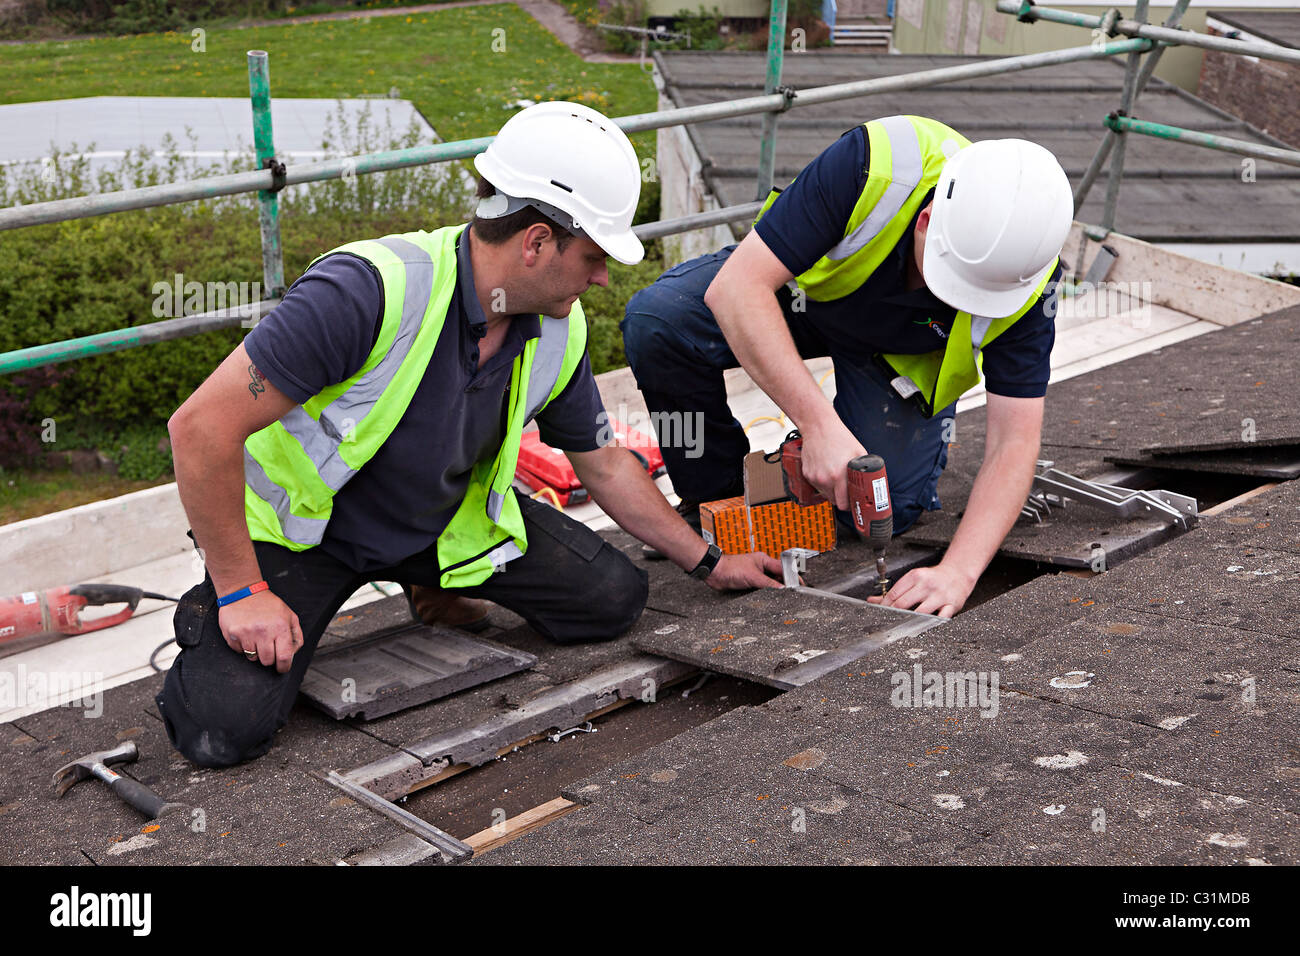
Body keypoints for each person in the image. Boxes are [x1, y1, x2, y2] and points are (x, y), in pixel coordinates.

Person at [158, 102, 782, 768]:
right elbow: (200, 429)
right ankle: (220, 610)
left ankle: (429, 583)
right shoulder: (365, 292)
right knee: (220, 729)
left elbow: (601, 462)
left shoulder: (555, 330)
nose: (602, 277)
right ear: (536, 242)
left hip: (438, 525)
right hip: (308, 539)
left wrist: (710, 562)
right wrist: (241, 591)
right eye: (594, 256)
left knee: (611, 598)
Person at [621, 114, 1073, 619]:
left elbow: (1015, 441)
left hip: (900, 356)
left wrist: (958, 571)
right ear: (925, 220)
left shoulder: (1025, 276)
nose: (959, 298)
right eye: (954, 279)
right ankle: (718, 503)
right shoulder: (879, 163)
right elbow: (737, 289)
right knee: (659, 322)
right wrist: (819, 427)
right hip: (801, 297)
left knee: (881, 506)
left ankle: (806, 471)